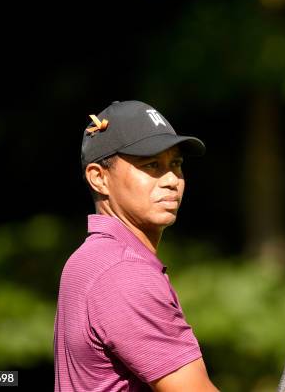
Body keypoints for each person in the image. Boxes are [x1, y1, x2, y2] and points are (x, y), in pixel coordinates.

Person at [54, 100, 219, 391]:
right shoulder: (124, 273)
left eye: (176, 164)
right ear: (99, 178)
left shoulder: (90, 259)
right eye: (152, 165)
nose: (171, 180)